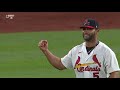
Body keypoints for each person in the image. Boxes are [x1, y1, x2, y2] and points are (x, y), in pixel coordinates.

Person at [38, 18, 120, 78]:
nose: (85, 31)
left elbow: (114, 73)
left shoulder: (106, 52)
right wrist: (45, 51)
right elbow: (60, 64)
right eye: (84, 29)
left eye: (89, 29)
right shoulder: (76, 51)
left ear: (97, 30)